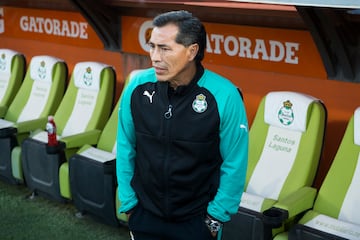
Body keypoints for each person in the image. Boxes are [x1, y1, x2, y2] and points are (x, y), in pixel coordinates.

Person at [116, 10, 248, 240]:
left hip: (197, 223)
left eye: (165, 48)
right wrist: (129, 204)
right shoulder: (137, 86)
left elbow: (234, 163)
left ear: (192, 51)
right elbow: (126, 145)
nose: (155, 57)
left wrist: (214, 219)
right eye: (152, 47)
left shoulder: (225, 95)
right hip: (144, 216)